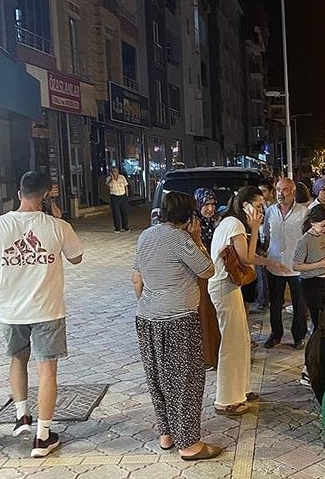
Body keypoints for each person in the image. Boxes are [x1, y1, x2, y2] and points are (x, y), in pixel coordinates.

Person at [0, 171, 83, 458]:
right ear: (46, 195)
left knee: (17, 360)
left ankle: (22, 415)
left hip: (11, 311)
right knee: (46, 370)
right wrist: (58, 218)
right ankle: (43, 436)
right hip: (47, 309)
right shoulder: (58, 226)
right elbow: (76, 257)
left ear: (19, 193)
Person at [131, 192, 222, 460]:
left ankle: (167, 434)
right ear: (189, 216)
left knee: (158, 378)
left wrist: (151, 302)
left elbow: (136, 278)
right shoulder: (181, 239)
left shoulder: (145, 236)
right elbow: (207, 270)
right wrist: (196, 238)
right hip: (178, 319)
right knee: (186, 381)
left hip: (147, 318)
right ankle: (189, 444)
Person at [208, 186, 287, 415]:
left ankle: (240, 389)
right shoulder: (234, 224)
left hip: (229, 286)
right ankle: (226, 400)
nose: (261, 210)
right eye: (259, 206)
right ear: (245, 205)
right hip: (223, 286)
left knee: (241, 339)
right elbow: (247, 258)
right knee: (232, 342)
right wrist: (254, 229)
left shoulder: (231, 222)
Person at [262, 178, 309, 350]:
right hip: (275, 264)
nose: (280, 193)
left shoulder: (304, 212)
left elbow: (308, 237)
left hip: (296, 266)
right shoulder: (270, 212)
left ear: (293, 191)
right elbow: (266, 235)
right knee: (275, 303)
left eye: (285, 190)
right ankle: (276, 335)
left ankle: (299, 336)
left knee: (300, 304)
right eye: (278, 190)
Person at [293, 204, 325, 332]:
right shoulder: (305, 240)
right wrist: (320, 264)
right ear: (312, 222)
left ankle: (320, 340)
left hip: (323, 279)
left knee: (323, 319)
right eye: (323, 225)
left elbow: (319, 256)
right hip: (310, 282)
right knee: (318, 320)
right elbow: (296, 265)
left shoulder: (324, 236)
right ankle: (316, 342)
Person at [194, 188, 221, 370]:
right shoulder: (194, 225)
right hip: (201, 277)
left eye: (212, 204)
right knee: (204, 315)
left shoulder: (217, 222)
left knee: (216, 315)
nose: (210, 209)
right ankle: (206, 357)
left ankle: (217, 353)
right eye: (205, 205)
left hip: (218, 273)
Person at [251, 179, 277, 313]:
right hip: (260, 242)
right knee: (261, 274)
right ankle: (263, 300)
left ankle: (265, 301)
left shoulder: (276, 207)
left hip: (271, 244)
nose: (262, 194)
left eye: (264, 191)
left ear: (271, 191)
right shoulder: (261, 206)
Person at [106, 167, 130, 233]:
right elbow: (108, 184)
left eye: (115, 171)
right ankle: (117, 228)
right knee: (116, 213)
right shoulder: (109, 178)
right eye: (113, 171)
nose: (114, 172)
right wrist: (112, 178)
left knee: (124, 212)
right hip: (114, 197)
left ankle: (125, 227)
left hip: (122, 196)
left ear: (118, 171)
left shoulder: (122, 177)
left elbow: (126, 186)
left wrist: (127, 196)